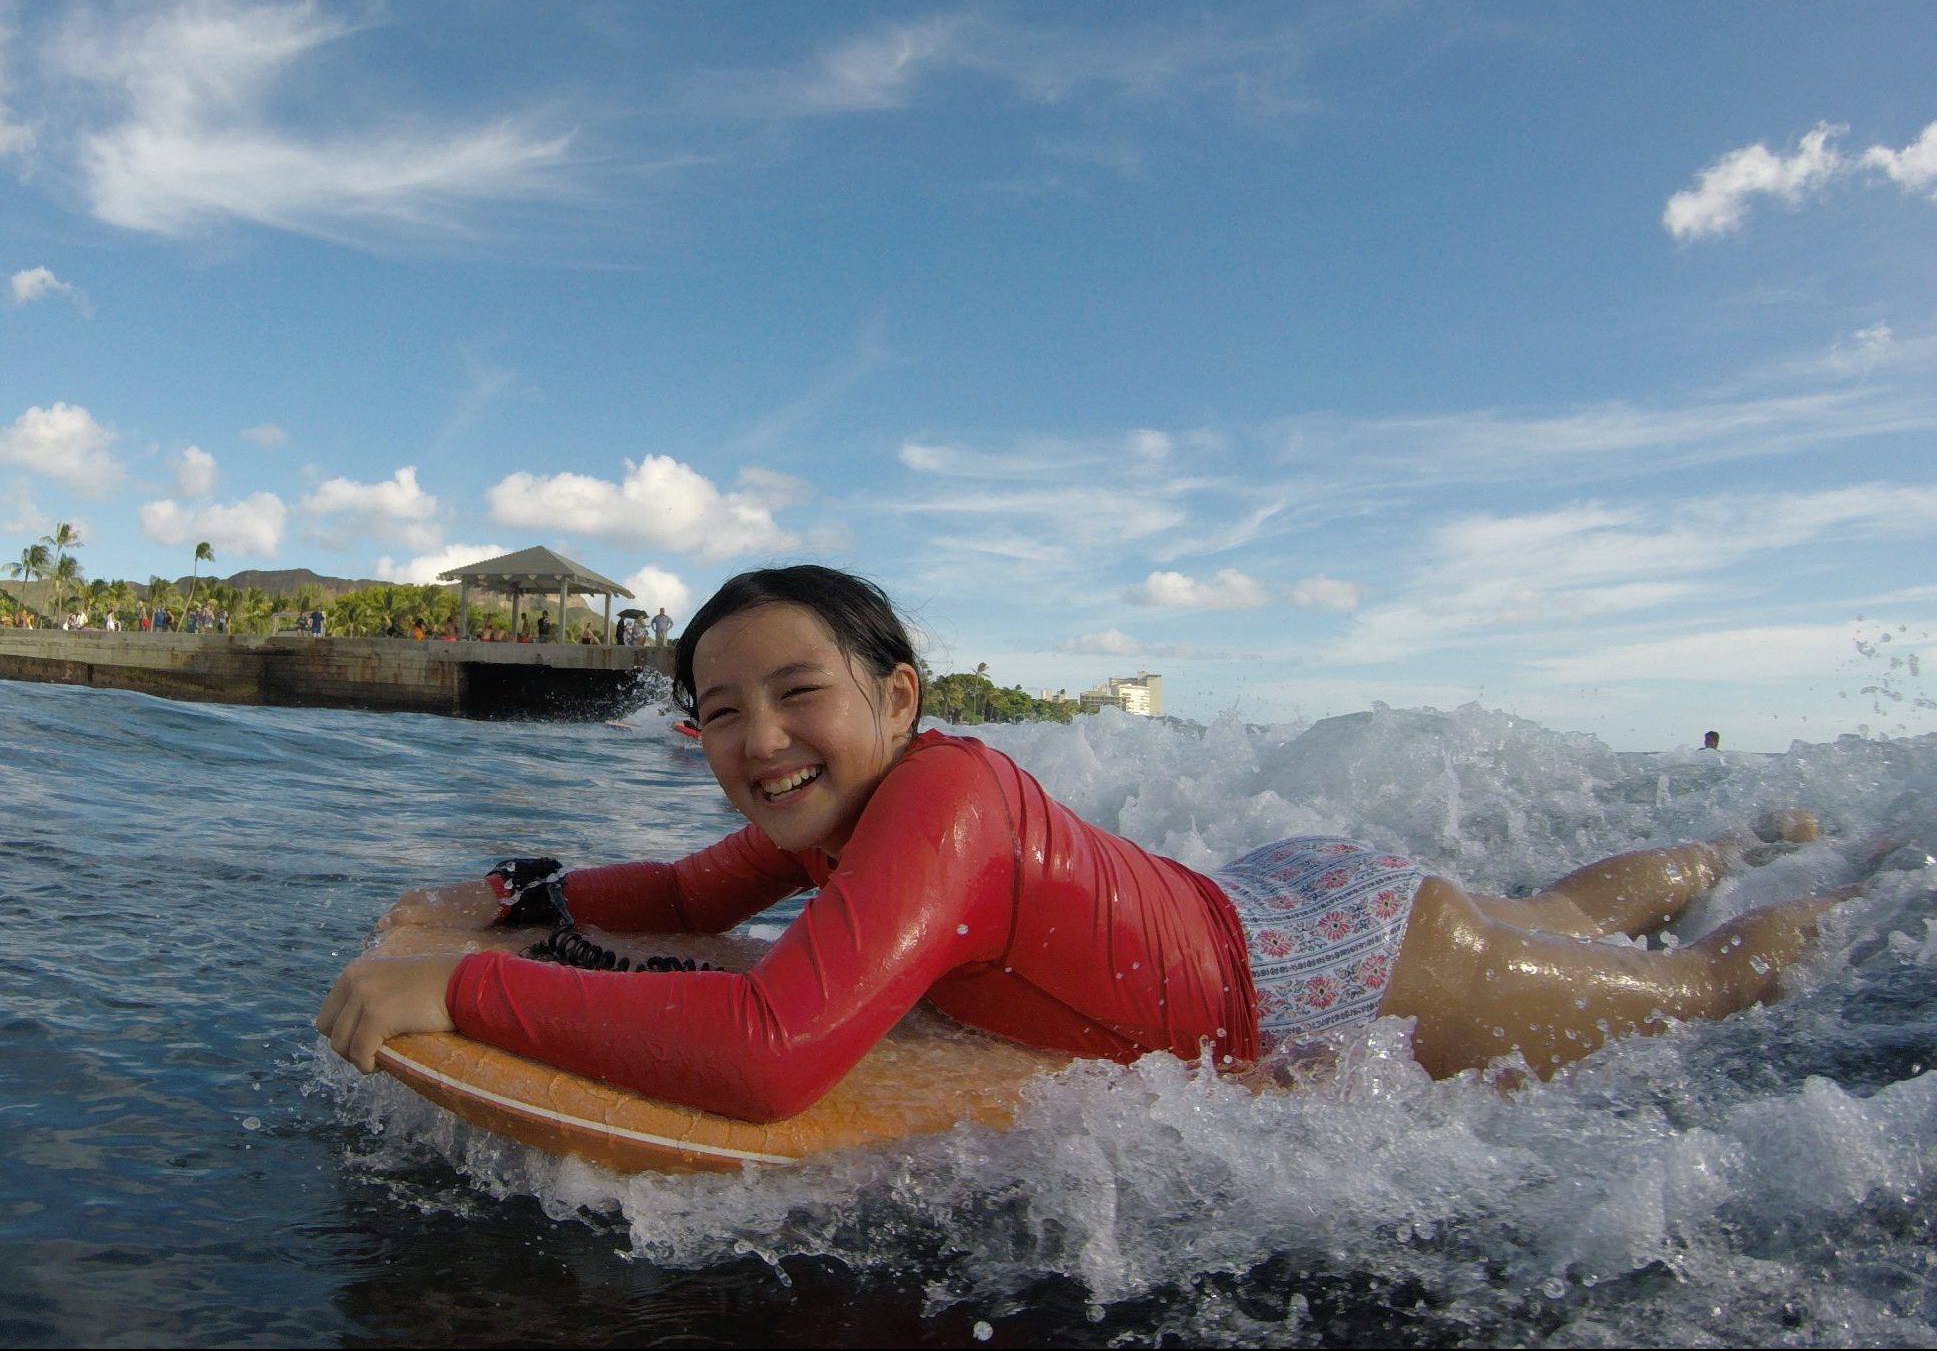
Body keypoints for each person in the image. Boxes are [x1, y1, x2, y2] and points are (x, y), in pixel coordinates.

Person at [318, 566, 1854, 1123]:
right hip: (1276, 891)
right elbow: (678, 893)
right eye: (720, 713)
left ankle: (1854, 884)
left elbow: (774, 1047)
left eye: (797, 694)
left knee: (1700, 994)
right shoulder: (823, 819)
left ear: (895, 697)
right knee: (1552, 905)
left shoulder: (940, 799)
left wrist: (462, 994)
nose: (759, 740)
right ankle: (1730, 830)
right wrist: (512, 892)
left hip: (1357, 969)